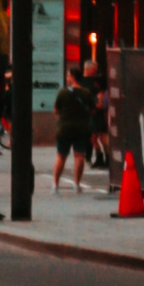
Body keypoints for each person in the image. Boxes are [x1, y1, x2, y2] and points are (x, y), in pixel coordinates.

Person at [52, 66, 96, 194]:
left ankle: (55, 184)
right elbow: (93, 110)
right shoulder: (86, 93)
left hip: (64, 128)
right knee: (79, 156)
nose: (66, 78)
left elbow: (56, 110)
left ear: (72, 77)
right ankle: (76, 184)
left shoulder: (63, 92)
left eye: (67, 75)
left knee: (61, 156)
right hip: (81, 128)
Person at [83, 60, 109, 168]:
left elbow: (101, 105)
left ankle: (104, 157)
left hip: (97, 117)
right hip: (95, 117)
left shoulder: (101, 94)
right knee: (96, 138)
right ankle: (101, 157)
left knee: (98, 137)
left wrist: (92, 107)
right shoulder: (99, 92)